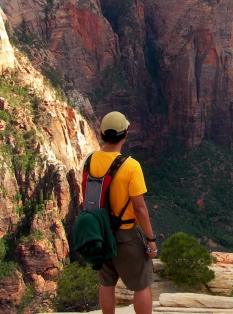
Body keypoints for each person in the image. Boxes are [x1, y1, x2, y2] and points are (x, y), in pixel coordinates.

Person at [90, 111, 157, 314]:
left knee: (106, 281)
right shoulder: (130, 166)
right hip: (125, 234)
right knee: (142, 284)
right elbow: (140, 208)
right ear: (126, 134)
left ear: (101, 133)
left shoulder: (89, 160)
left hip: (100, 232)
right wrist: (150, 239)